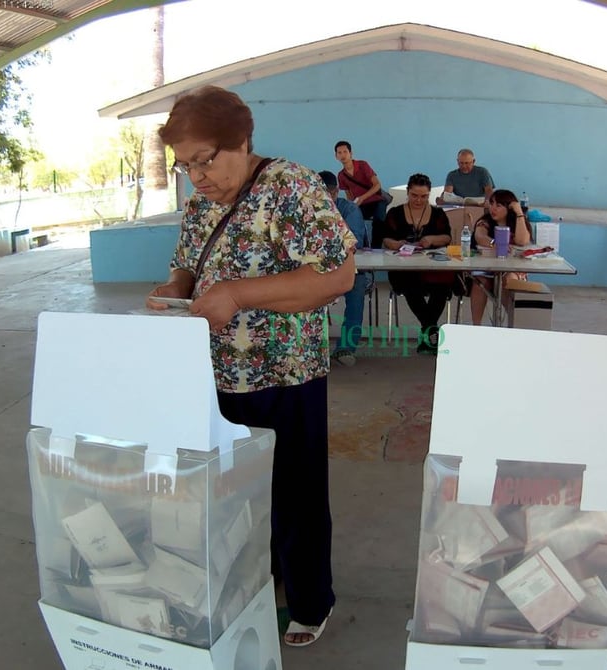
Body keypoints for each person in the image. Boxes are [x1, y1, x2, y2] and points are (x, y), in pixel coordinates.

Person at [146, 86, 356, 646]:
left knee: (296, 491)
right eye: (186, 165)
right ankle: (258, 577)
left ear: (241, 139)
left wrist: (238, 294)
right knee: (232, 490)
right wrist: (173, 289)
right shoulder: (199, 205)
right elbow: (188, 268)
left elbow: (336, 276)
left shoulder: (290, 187)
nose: (198, 176)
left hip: (287, 374)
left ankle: (311, 601)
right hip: (215, 375)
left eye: (206, 160)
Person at [381, 173, 453, 354]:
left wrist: (431, 240)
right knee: (409, 285)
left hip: (432, 266)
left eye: (424, 196)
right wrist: (397, 244)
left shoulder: (437, 213)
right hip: (403, 268)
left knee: (442, 286)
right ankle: (431, 330)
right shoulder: (395, 213)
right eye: (414, 195)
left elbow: (447, 237)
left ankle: (428, 332)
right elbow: (386, 239)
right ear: (407, 192)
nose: (419, 200)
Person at [319, 169, 370, 366]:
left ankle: (345, 348)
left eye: (328, 193)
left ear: (336, 192)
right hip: (318, 269)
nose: (324, 197)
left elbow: (352, 241)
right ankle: (315, 348)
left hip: (350, 266)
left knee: (356, 290)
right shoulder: (306, 209)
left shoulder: (349, 209)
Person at [469, 189, 533, 325]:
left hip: (511, 269)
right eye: (491, 204)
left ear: (509, 208)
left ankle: (516, 323)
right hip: (487, 269)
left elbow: (522, 241)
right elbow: (479, 236)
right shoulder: (485, 221)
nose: (493, 208)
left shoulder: (517, 222)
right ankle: (476, 327)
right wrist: (494, 243)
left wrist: (519, 213)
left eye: (498, 205)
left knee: (509, 279)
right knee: (480, 281)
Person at [334, 140, 388, 226]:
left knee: (379, 223)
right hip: (361, 205)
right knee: (354, 223)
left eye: (345, 151)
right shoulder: (341, 175)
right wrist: (352, 207)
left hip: (377, 201)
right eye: (339, 153)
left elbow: (377, 185)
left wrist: (362, 197)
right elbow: (349, 196)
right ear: (336, 156)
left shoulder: (362, 165)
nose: (342, 155)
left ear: (351, 153)